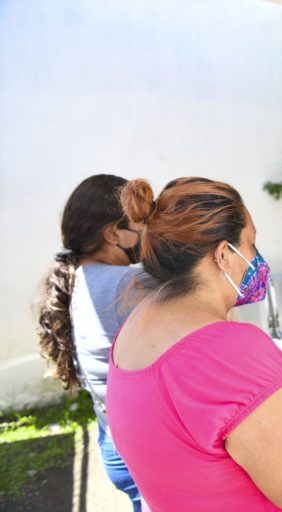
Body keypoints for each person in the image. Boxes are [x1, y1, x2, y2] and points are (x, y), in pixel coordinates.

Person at [106, 177, 282, 511]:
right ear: (224, 254)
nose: (256, 258)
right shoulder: (232, 349)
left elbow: (210, 402)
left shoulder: (135, 327)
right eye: (250, 244)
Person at [36, 174, 143, 511]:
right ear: (113, 234)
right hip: (141, 454)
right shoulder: (126, 283)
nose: (150, 234)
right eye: (143, 224)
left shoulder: (82, 277)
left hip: (114, 443)